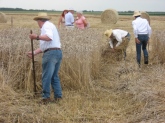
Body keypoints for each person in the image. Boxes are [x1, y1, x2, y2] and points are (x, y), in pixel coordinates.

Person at [27, 12, 63, 104]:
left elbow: (49, 38)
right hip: (57, 52)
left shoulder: (45, 26)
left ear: (40, 21)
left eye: (37, 21)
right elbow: (46, 46)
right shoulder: (51, 25)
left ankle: (45, 98)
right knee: (54, 76)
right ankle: (58, 97)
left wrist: (36, 37)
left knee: (46, 76)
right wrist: (34, 52)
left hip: (50, 54)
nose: (37, 23)